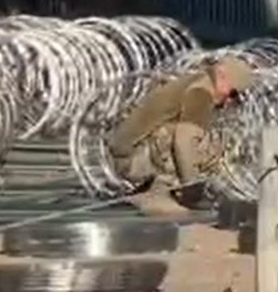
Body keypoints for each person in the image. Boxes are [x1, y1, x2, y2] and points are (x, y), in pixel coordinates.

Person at [108, 57, 254, 216]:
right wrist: (193, 186)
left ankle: (149, 190)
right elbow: (184, 141)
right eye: (232, 93)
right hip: (131, 159)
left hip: (129, 154)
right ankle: (157, 194)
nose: (229, 101)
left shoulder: (197, 81)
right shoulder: (201, 91)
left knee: (201, 137)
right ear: (222, 76)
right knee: (204, 144)